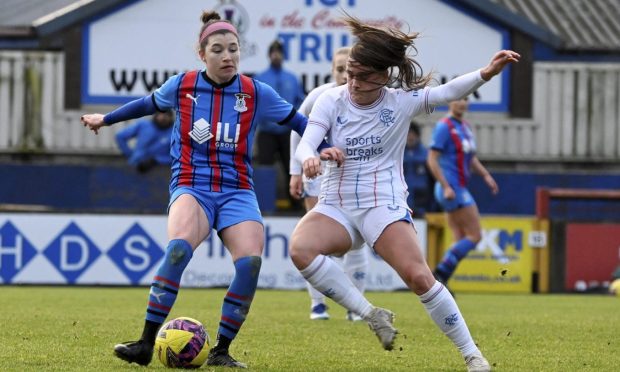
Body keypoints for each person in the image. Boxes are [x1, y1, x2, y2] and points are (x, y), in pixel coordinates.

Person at [81, 10, 321, 369]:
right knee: (178, 250)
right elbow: (147, 104)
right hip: (192, 185)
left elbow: (302, 123)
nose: (227, 57)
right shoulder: (182, 85)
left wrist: (323, 146)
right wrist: (106, 118)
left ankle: (221, 351)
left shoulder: (256, 92)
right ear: (202, 54)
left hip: (238, 190)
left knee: (250, 263)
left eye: (234, 49)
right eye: (218, 50)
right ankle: (145, 343)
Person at [290, 13, 519, 372]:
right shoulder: (330, 100)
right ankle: (371, 313)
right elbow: (306, 144)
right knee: (300, 249)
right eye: (350, 73)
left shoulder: (400, 101)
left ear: (384, 75)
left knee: (419, 278)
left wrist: (485, 74)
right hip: (336, 204)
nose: (353, 82)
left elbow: (447, 92)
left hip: (382, 204)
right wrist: (310, 159)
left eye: (363, 76)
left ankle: (473, 355)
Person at [289, 47, 369, 321]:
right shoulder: (320, 97)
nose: (344, 74)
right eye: (339, 69)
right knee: (316, 240)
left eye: (348, 68)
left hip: (353, 177)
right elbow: (296, 130)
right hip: (318, 175)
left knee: (358, 242)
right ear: (333, 70)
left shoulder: (367, 98)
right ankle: (318, 305)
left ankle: (354, 307)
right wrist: (295, 171)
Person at [427, 98, 498, 296]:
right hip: (453, 189)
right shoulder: (444, 126)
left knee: (459, 239)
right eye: (459, 99)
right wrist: (446, 186)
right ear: (450, 102)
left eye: (466, 99)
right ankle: (440, 273)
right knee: (475, 236)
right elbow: (431, 159)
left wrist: (485, 175)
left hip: (456, 188)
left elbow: (471, 158)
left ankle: (441, 285)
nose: (463, 103)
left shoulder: (464, 126)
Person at [255, 39, 306, 209]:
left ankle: (296, 206)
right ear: (269, 55)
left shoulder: (291, 78)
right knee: (265, 169)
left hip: (287, 132)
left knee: (290, 167)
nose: (276, 55)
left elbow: (300, 101)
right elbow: (253, 103)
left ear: (283, 56)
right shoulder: (261, 78)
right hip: (266, 132)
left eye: (279, 52)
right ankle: (263, 206)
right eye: (273, 52)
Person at [403, 121, 434, 215]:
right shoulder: (397, 154)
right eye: (408, 134)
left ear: (418, 136)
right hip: (402, 199)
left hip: (421, 202)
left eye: (413, 134)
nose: (410, 137)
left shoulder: (426, 154)